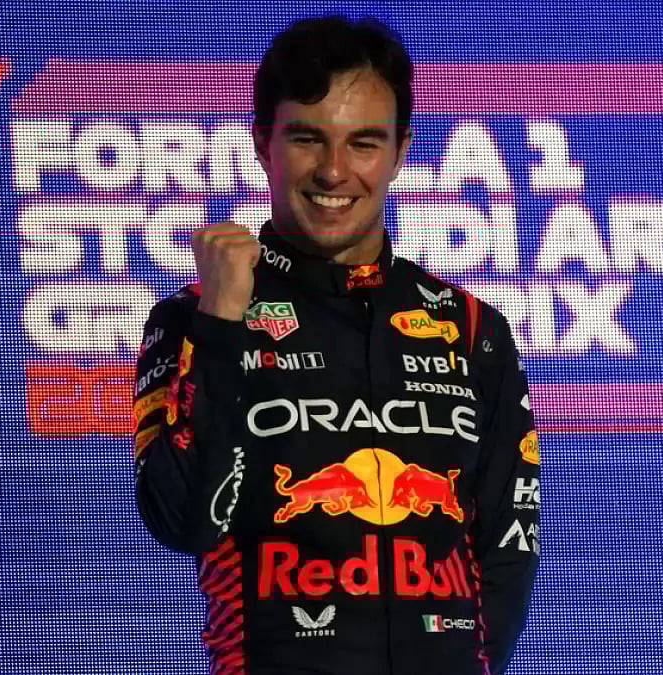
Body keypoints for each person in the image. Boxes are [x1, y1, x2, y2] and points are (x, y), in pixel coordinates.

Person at [131, 15, 540, 675]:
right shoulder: (190, 319)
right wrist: (221, 325)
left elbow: (508, 550)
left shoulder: (472, 329)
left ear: (401, 151)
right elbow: (186, 522)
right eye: (307, 139)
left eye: (364, 143)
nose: (334, 170)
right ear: (262, 142)